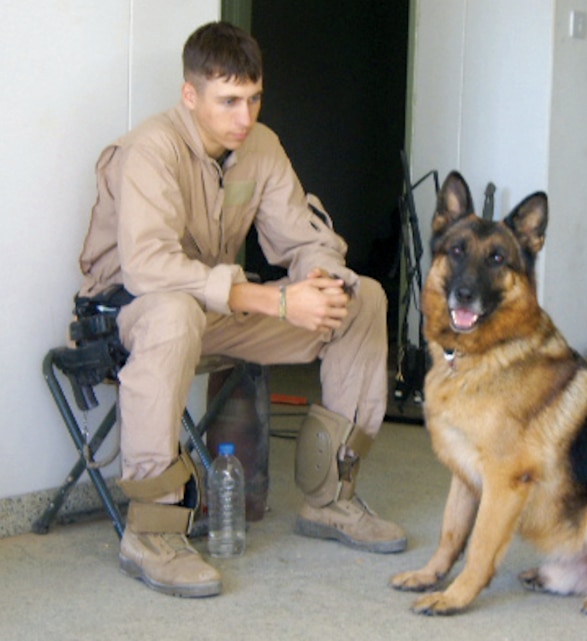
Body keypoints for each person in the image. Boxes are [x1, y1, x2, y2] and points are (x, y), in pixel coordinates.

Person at [77, 21, 406, 598]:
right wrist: (277, 299)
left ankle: (331, 499)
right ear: (190, 95)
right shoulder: (150, 149)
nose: (244, 116)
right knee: (175, 311)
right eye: (228, 101)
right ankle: (151, 534)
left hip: (215, 311)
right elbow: (149, 267)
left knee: (363, 300)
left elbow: (304, 239)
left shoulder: (259, 147)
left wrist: (320, 282)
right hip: (129, 315)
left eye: (254, 99)